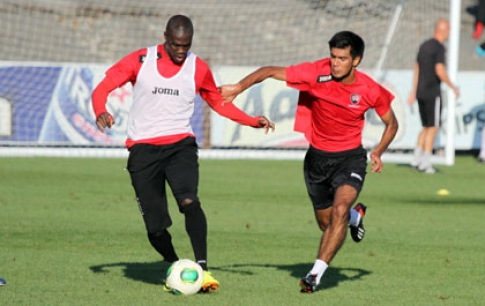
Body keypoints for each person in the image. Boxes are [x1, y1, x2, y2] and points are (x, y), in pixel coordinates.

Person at [91, 14, 275, 293]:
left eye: (186, 45)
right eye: (176, 44)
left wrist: (252, 120)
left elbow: (217, 102)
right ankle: (176, 266)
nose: (180, 50)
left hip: (180, 146)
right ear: (165, 37)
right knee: (155, 229)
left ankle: (202, 268)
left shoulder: (198, 67)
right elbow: (102, 88)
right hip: (142, 150)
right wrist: (100, 111)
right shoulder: (140, 60)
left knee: (189, 201)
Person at [219, 31, 398, 293]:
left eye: (342, 58)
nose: (335, 63)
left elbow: (392, 123)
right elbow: (269, 71)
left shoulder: (370, 90)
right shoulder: (315, 73)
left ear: (356, 61)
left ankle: (314, 275)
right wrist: (237, 88)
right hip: (316, 160)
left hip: (350, 160)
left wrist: (379, 151)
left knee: (337, 213)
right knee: (327, 225)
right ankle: (354, 216)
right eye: (333, 56)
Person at [407, 19, 460, 174]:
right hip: (432, 92)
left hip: (421, 92)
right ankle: (426, 163)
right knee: (433, 127)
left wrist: (413, 91)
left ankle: (416, 159)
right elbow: (440, 70)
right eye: (449, 30)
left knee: (425, 126)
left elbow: (417, 68)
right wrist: (453, 87)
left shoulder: (424, 45)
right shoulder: (438, 47)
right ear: (443, 30)